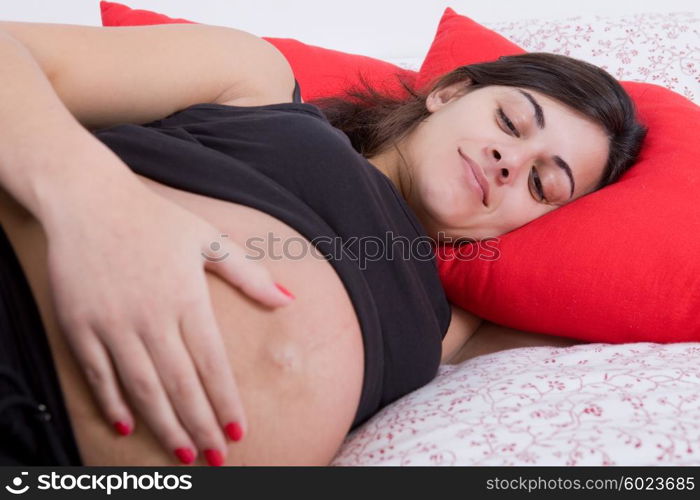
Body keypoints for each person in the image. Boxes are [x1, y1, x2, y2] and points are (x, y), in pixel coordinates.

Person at [0, 21, 646, 466]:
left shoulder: (454, 329)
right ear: (448, 91)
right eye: (510, 120)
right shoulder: (255, 82)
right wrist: (97, 204)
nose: (512, 161)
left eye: (544, 182)